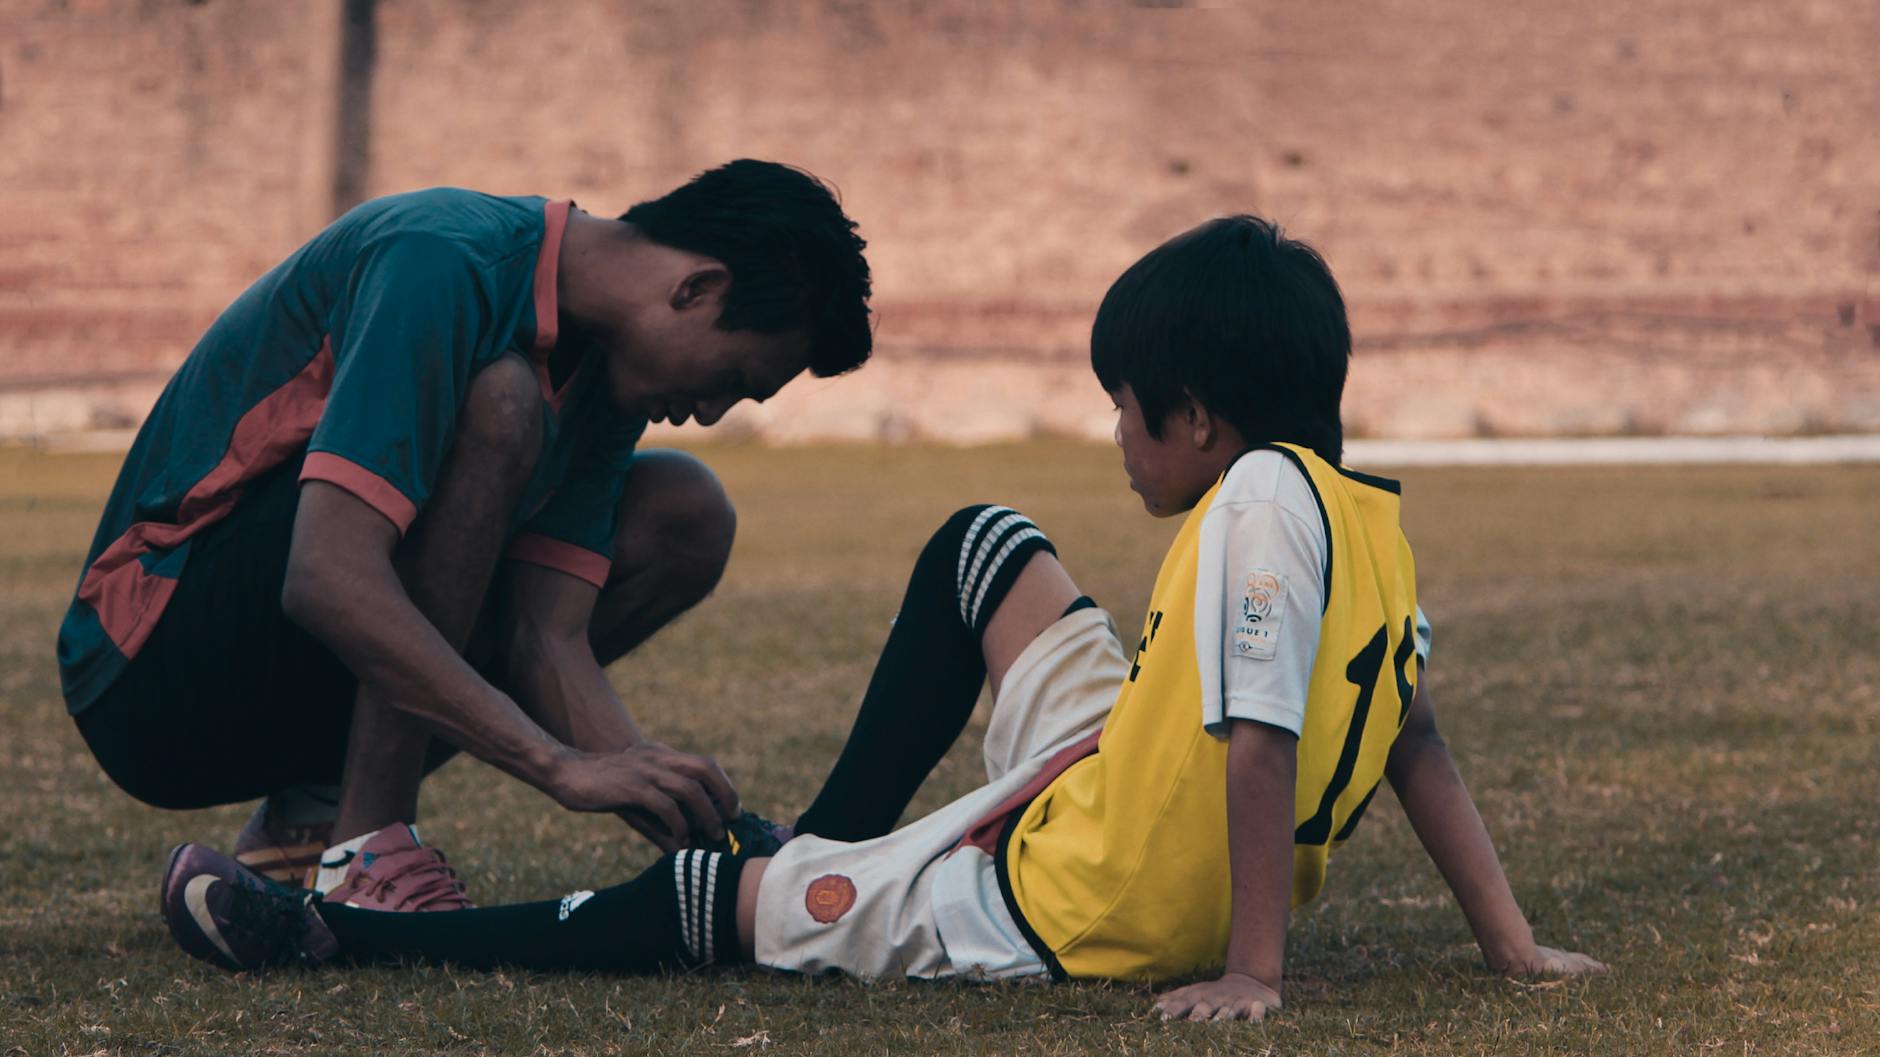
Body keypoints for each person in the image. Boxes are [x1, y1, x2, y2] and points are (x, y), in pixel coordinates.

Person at [159, 215, 1604, 1019]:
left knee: (716, 910)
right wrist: (1511, 944)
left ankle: (337, 940)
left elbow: (1261, 747)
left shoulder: (1251, 513)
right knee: (984, 545)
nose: (1115, 434)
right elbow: (1414, 737)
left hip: (1084, 896)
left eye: (1125, 408)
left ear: (1201, 419)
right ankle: (835, 840)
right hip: (1117, 772)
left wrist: (1250, 970)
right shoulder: (1362, 510)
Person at [65, 160, 873, 911]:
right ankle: (367, 846)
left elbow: (545, 636)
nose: (710, 413)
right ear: (696, 286)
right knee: (504, 400)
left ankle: (309, 823)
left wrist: (702, 832)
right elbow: (325, 573)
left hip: (275, 690)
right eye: (732, 379)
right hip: (149, 667)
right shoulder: (440, 258)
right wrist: (554, 764)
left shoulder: (607, 377)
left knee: (685, 510)